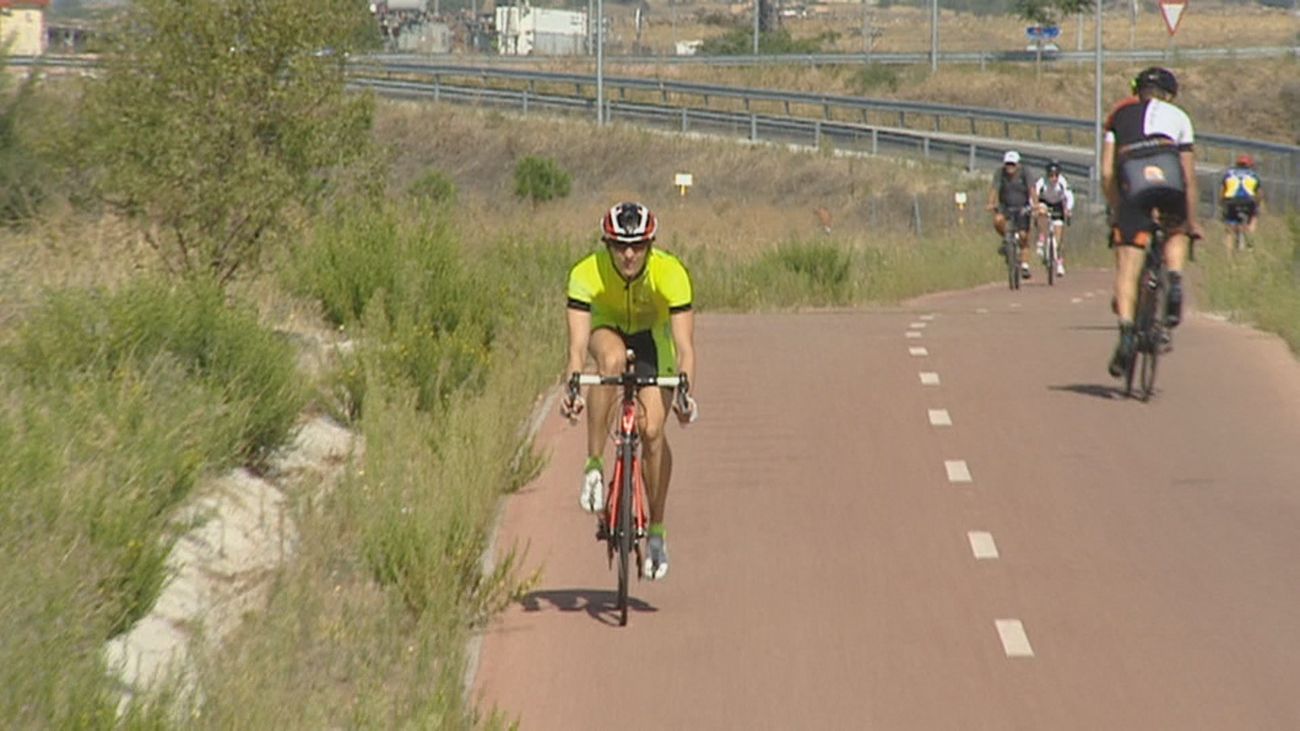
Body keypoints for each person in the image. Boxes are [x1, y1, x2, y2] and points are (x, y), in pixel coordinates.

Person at [560, 202, 698, 581]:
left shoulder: (671, 274)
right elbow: (576, 348)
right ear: (607, 244)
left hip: (654, 337)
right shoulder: (585, 273)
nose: (629, 255)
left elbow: (685, 347)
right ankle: (593, 466)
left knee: (653, 431)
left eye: (638, 245)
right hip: (608, 329)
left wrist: (684, 390)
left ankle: (657, 531)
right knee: (610, 362)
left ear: (650, 244)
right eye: (620, 246)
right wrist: (572, 386)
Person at [1101, 66, 1204, 378]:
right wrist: (1191, 222)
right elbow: (1188, 177)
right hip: (1169, 179)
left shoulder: (1118, 116)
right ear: (1170, 94)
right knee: (1176, 230)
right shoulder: (1180, 117)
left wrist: (1118, 209)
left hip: (1133, 181)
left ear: (1137, 91)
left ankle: (1127, 332)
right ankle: (1173, 279)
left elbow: (1107, 172)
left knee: (1128, 269)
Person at [987, 150, 1034, 279]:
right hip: (1005, 206)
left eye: (1012, 164)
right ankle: (1007, 240)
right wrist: (990, 203)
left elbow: (1032, 189)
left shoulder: (1025, 172)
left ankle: (1024, 264)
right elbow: (994, 188)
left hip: (1022, 207)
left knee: (1024, 236)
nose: (1010, 167)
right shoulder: (1000, 173)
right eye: (1008, 164)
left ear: (1018, 165)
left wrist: (1035, 205)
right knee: (998, 220)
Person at [1032, 161, 1074, 277]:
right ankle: (1041, 240)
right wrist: (1034, 208)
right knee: (1041, 214)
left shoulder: (1062, 182)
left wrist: (1068, 209)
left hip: (1057, 205)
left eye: (1056, 175)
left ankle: (1059, 264)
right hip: (1044, 202)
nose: (1053, 178)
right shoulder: (1041, 182)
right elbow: (1034, 194)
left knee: (1058, 238)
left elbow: (1069, 196)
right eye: (1051, 176)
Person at [1219, 153, 1263, 251]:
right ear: (1250, 165)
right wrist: (1257, 205)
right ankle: (1250, 241)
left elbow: (1222, 191)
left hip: (1231, 201)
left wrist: (1222, 204)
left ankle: (1228, 255)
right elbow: (1259, 193)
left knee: (1230, 229)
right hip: (1248, 201)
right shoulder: (1253, 175)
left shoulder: (1229, 173)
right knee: (1254, 217)